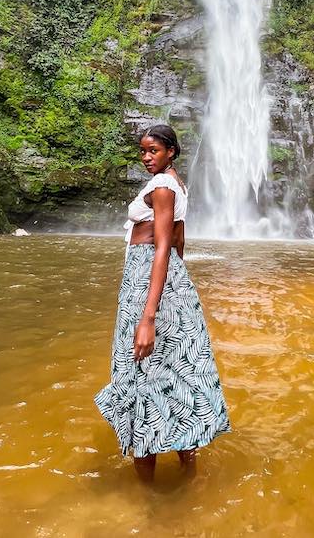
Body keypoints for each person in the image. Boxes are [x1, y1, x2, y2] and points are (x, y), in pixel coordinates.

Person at [94, 124, 231, 482]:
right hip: (169, 281)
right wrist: (176, 290)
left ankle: (147, 497)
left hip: (147, 280)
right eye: (142, 151)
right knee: (173, 370)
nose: (146, 157)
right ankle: (189, 471)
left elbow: (162, 247)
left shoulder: (161, 187)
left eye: (153, 150)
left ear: (171, 151)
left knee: (141, 372)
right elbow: (179, 243)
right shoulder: (176, 184)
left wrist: (149, 316)